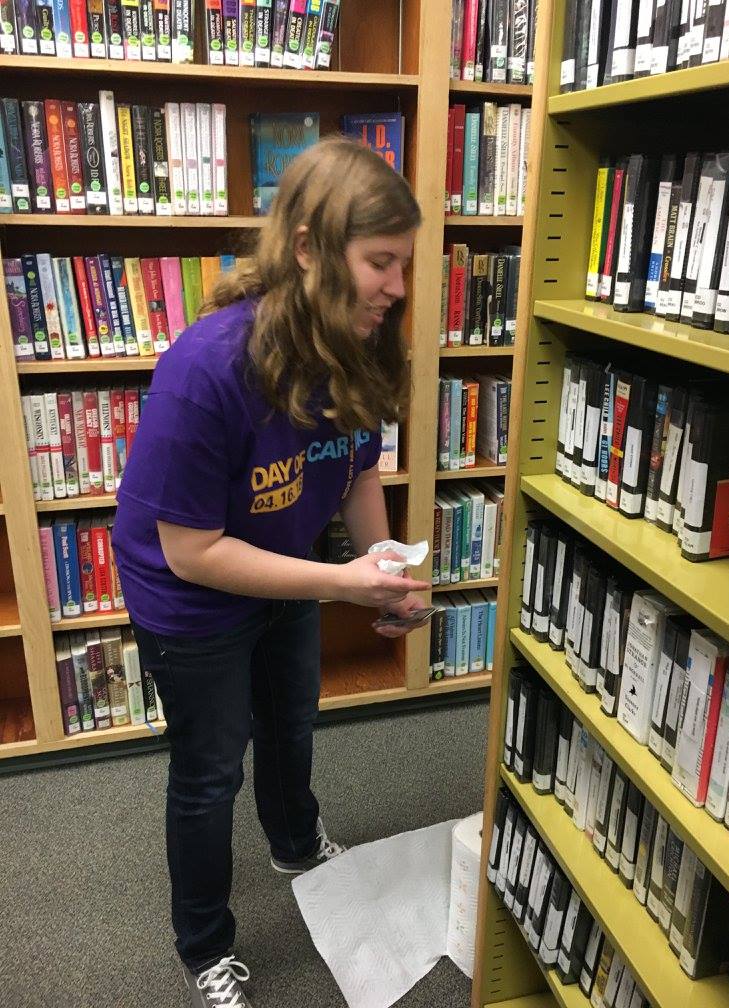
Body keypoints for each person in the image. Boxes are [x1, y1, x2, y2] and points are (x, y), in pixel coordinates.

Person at [112, 136, 431, 1008]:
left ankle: (296, 842)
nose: (398, 289)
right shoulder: (206, 369)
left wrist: (388, 569)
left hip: (284, 565)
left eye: (404, 264)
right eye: (380, 263)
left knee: (291, 720)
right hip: (189, 599)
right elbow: (193, 551)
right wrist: (341, 583)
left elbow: (358, 466)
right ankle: (205, 942)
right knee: (211, 769)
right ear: (307, 249)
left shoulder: (356, 343)